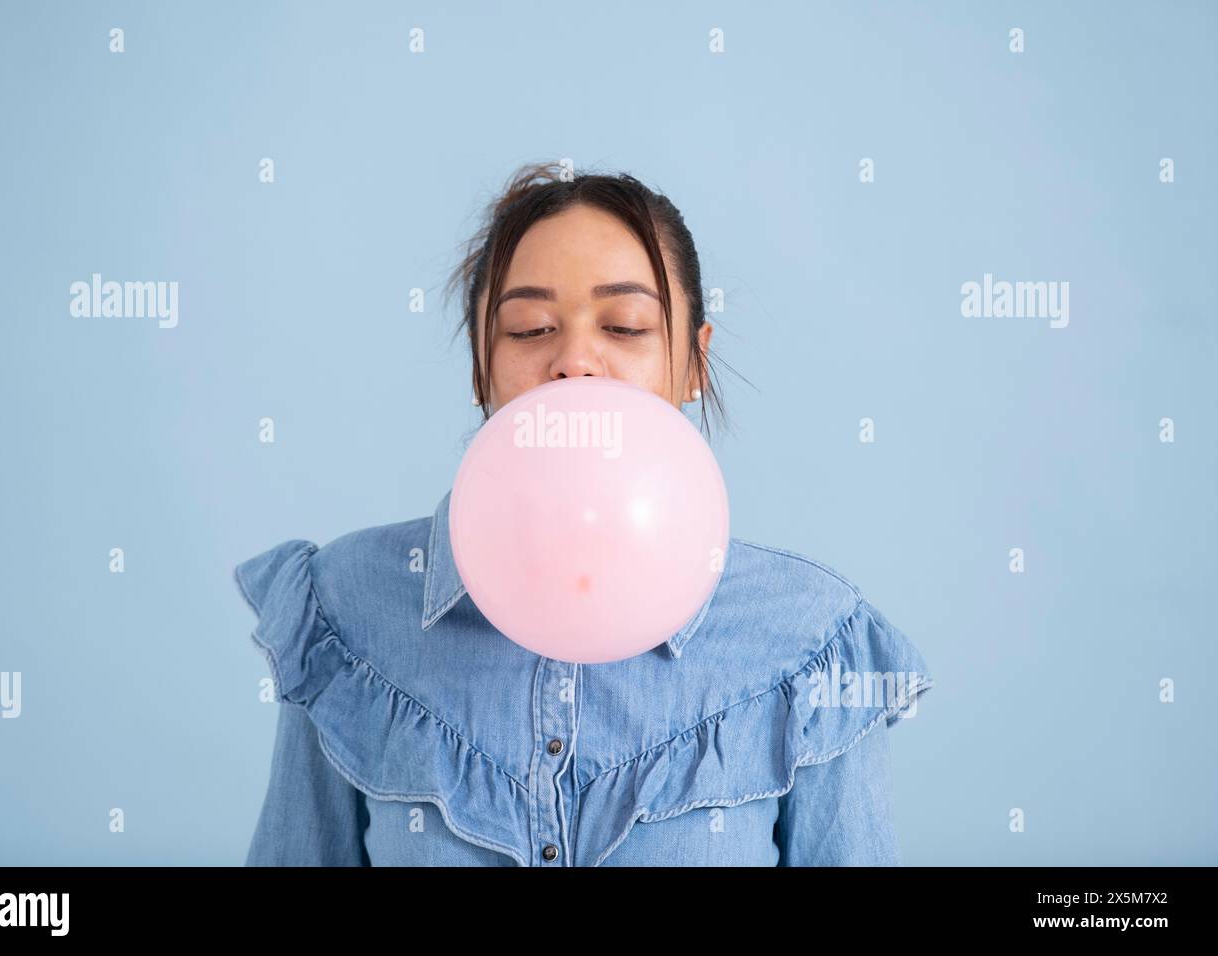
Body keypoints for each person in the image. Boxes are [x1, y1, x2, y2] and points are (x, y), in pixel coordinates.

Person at [236, 162, 933, 866]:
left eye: (625, 326)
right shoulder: (344, 608)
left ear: (694, 362)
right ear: (482, 365)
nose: (574, 361)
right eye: (531, 327)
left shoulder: (809, 635)